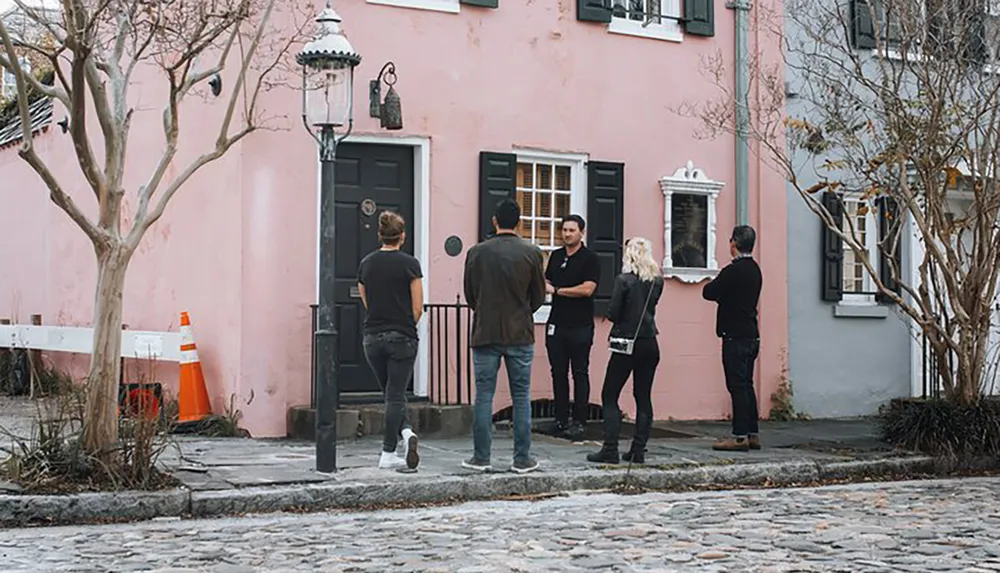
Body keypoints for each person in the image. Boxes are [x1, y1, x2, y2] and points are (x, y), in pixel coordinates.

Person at [462, 198, 546, 474]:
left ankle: (481, 457)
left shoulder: (477, 252)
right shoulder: (532, 253)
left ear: (494, 221)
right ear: (519, 222)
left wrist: (484, 310)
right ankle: (522, 458)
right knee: (521, 397)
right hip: (520, 332)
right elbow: (538, 296)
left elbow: (470, 295)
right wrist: (522, 311)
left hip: (485, 332)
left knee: (484, 396)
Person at [586, 237, 664, 465]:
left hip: (626, 342)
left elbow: (613, 312)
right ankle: (638, 449)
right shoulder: (657, 282)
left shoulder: (623, 280)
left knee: (610, 395)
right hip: (650, 341)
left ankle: (610, 449)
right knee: (643, 396)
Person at [357, 211, 424, 470]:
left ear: (380, 235)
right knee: (395, 395)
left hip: (372, 337)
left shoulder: (367, 263)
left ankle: (407, 433)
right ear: (402, 236)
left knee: (390, 393)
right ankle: (387, 452)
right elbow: (417, 307)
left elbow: (366, 300)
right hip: (402, 337)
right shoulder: (410, 264)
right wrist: (406, 324)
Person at [702, 225, 763, 452]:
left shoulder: (732, 270)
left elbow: (708, 291)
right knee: (747, 385)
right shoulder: (755, 269)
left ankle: (739, 436)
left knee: (736, 386)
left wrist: (722, 297)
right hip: (751, 334)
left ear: (734, 244)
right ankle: (752, 432)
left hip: (734, 336)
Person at [544, 215, 601, 441]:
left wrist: (558, 290)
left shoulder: (590, 259)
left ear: (581, 233)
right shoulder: (556, 256)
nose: (567, 234)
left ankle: (579, 420)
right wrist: (550, 288)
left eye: (572, 230)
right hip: (556, 322)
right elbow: (544, 282)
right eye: (564, 230)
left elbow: (587, 289)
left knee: (579, 372)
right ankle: (560, 419)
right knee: (558, 372)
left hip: (580, 324)